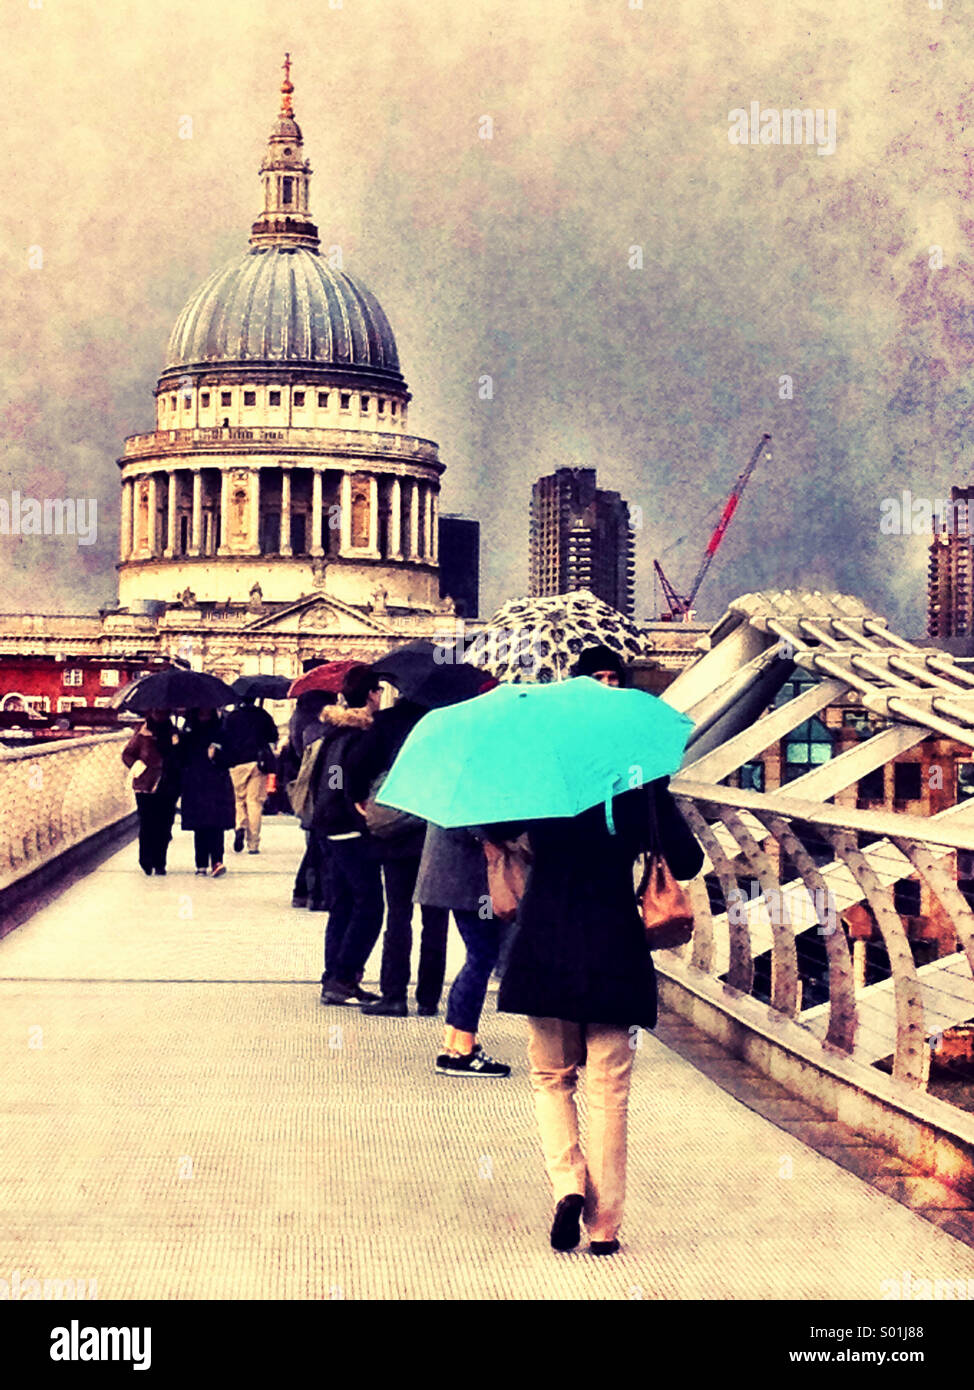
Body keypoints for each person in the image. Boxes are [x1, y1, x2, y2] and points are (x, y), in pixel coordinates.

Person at [491, 777, 703, 1255]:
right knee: (609, 1090)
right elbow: (688, 860)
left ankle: (567, 1184)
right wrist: (655, 796)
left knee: (551, 1077)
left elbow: (491, 826)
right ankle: (604, 1227)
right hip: (615, 950)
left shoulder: (537, 777)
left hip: (544, 949)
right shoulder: (635, 780)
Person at [345, 687, 449, 1017]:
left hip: (397, 833)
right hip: (437, 830)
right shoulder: (445, 722)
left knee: (399, 915)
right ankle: (429, 997)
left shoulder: (387, 722)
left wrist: (363, 801)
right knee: (435, 919)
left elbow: (355, 767)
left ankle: (394, 995)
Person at [312, 666, 384, 1006]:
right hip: (348, 830)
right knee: (370, 905)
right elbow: (342, 781)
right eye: (379, 691)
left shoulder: (332, 733)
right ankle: (344, 976)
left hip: (327, 828)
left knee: (342, 905)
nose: (381, 697)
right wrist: (358, 808)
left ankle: (334, 978)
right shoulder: (361, 735)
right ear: (371, 695)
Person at [414, 823, 510, 1076]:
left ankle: (454, 1043)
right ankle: (462, 1049)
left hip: (458, 878)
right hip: (471, 881)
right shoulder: (473, 789)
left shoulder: (452, 787)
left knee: (479, 955)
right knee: (481, 956)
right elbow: (479, 827)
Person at [286, 691, 334, 910]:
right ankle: (316, 894)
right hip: (322, 791)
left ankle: (304, 891)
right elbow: (334, 767)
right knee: (320, 844)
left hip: (310, 788)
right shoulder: (319, 729)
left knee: (315, 842)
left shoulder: (300, 720)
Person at [121, 708, 180, 875]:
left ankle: (160, 861)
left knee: (165, 825)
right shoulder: (142, 734)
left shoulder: (174, 733)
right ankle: (146, 859)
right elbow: (127, 754)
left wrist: (176, 748)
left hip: (169, 784)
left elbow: (180, 756)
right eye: (158, 712)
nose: (161, 715)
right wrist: (138, 766)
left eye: (164, 712)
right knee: (147, 824)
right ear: (152, 713)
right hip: (145, 785)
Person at [177, 708, 236, 876]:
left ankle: (217, 860)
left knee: (216, 825)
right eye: (201, 712)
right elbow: (181, 759)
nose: (204, 715)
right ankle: (201, 863)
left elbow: (232, 757)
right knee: (200, 826)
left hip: (216, 782)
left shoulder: (221, 732)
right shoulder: (187, 733)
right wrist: (176, 743)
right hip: (194, 783)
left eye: (207, 712)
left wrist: (217, 755)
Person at [222, 695, 279, 854]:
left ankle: (240, 825)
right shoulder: (262, 714)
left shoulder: (232, 717)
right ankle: (253, 844)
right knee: (255, 802)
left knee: (238, 799)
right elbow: (273, 736)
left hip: (237, 762)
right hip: (258, 762)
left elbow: (224, 738)